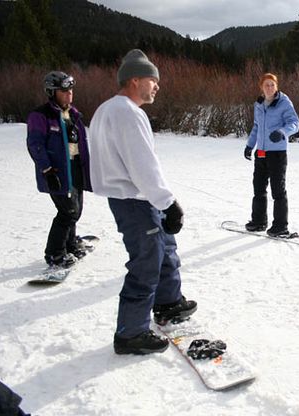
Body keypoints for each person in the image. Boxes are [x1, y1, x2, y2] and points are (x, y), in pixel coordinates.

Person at [88, 49, 196, 355]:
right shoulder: (126, 112)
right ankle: (131, 333)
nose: (157, 86)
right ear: (134, 80)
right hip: (134, 200)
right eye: (152, 80)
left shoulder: (107, 110)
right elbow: (142, 165)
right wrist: (168, 202)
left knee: (165, 248)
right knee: (147, 261)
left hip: (134, 198)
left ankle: (168, 302)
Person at [26, 71, 92, 268]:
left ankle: (70, 244)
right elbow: (35, 144)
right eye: (64, 91)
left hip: (75, 168)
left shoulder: (73, 114)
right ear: (52, 92)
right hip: (57, 171)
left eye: (70, 90)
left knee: (76, 210)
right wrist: (47, 170)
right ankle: (55, 254)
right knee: (67, 212)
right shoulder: (41, 115)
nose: (69, 94)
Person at [244, 73, 299, 237]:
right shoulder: (259, 104)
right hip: (261, 152)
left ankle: (280, 226)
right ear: (261, 87)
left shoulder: (284, 102)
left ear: (276, 86)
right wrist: (249, 145)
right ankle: (259, 221)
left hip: (277, 153)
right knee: (259, 188)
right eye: (266, 85)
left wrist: (282, 132)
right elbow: (256, 127)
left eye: (272, 85)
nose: (269, 88)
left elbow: (295, 123)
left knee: (278, 190)